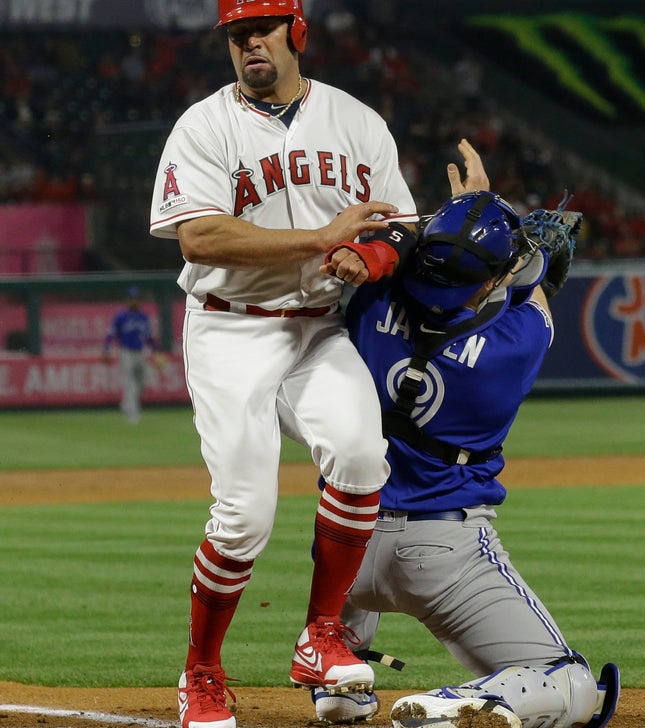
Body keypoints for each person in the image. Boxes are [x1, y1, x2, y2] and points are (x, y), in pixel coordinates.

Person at [148, 2, 420, 726]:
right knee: (243, 518)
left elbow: (398, 228)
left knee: (363, 456)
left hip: (319, 326)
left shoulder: (357, 122)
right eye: (238, 35)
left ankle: (321, 635)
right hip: (230, 332)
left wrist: (365, 253)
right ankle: (200, 673)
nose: (250, 45)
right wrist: (318, 238)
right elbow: (199, 238)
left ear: (297, 34)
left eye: (263, 30)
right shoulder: (204, 126)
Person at [309, 142, 619, 728]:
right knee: (573, 682)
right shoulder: (515, 343)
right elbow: (536, 276)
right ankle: (457, 705)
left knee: (348, 514)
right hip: (441, 553)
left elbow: (411, 247)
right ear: (481, 285)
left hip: (345, 543)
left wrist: (462, 214)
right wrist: (493, 209)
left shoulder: (372, 296)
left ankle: (341, 680)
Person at [101, 285, 163, 424]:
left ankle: (126, 402)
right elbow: (111, 334)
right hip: (125, 352)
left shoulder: (143, 317)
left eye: (136, 298)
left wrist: (157, 351)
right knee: (130, 383)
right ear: (128, 300)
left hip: (140, 352)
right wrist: (106, 349)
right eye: (131, 298)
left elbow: (149, 337)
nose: (134, 301)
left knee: (143, 382)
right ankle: (133, 413)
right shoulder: (121, 316)